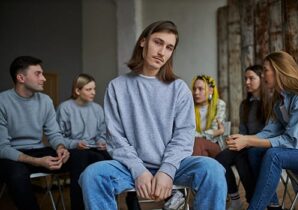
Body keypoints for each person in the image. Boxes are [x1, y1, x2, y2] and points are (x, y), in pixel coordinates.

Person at [79, 20, 227, 210]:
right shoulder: (117, 86)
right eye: (158, 42)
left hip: (175, 165)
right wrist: (139, 170)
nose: (162, 52)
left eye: (169, 47)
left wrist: (167, 170)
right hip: (129, 167)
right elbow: (115, 138)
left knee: (212, 169)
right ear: (143, 41)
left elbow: (184, 135)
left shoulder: (179, 88)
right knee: (92, 175)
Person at [0, 56, 86, 210]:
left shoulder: (45, 101)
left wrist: (60, 148)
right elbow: (2, 148)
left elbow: (54, 134)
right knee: (16, 173)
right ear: (21, 78)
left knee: (82, 157)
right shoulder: (2, 101)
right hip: (13, 155)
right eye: (38, 74)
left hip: (39, 151)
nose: (44, 78)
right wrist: (37, 161)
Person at [227, 51, 298, 210]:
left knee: (274, 155)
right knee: (254, 151)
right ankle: (273, 205)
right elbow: (270, 131)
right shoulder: (279, 100)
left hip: (296, 148)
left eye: (265, 70)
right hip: (295, 152)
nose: (263, 74)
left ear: (277, 70)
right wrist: (245, 138)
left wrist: (248, 140)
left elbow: (291, 141)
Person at [56, 73, 140, 209]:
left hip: (93, 148)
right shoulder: (65, 108)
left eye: (94, 89)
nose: (93, 93)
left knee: (116, 159)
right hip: (74, 150)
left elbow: (102, 133)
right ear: (77, 91)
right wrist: (75, 144)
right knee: (81, 161)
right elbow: (58, 137)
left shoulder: (97, 109)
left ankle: (127, 201)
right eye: (89, 89)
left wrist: (102, 141)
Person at [215, 65, 266, 210]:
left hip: (261, 145)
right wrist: (235, 138)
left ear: (262, 79)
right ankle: (235, 199)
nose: (247, 82)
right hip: (246, 144)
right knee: (220, 159)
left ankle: (253, 201)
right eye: (245, 79)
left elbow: (269, 132)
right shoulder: (244, 105)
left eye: (251, 78)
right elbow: (243, 130)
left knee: (242, 156)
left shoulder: (269, 102)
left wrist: (246, 141)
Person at [192, 74, 226, 157]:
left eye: (200, 89)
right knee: (203, 153)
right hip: (195, 146)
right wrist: (217, 132)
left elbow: (214, 129)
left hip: (215, 145)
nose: (196, 92)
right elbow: (188, 131)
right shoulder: (190, 106)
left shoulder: (219, 105)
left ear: (210, 90)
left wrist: (197, 136)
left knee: (197, 142)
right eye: (194, 89)